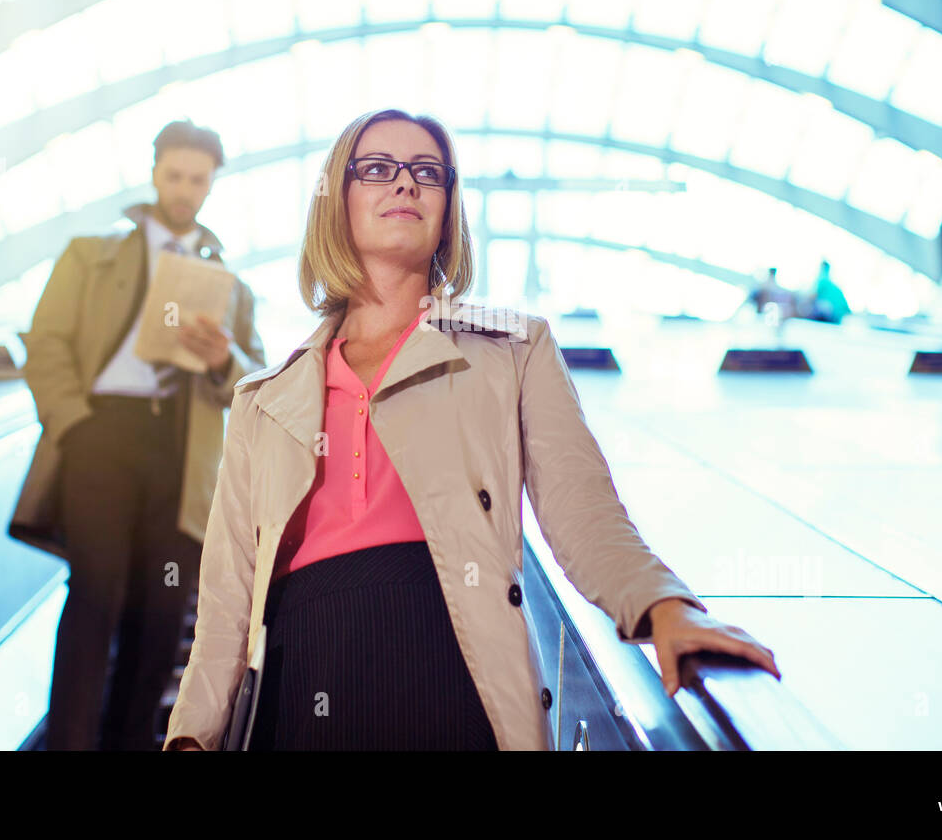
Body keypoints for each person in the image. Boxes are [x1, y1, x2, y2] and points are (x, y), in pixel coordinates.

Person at [164, 108, 779, 752]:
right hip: (300, 691)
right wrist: (189, 738)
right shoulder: (265, 400)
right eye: (377, 169)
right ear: (334, 202)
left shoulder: (514, 350)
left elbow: (582, 509)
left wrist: (664, 608)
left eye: (427, 173)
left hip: (453, 682)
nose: (405, 185)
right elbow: (226, 597)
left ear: (448, 207)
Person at [9, 120, 266, 751]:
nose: (184, 190)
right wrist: (73, 423)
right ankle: (70, 742)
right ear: (154, 173)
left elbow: (254, 379)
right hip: (102, 436)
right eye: (174, 175)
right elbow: (45, 344)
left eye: (197, 180)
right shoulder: (88, 256)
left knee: (163, 612)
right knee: (96, 596)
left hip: (182, 454)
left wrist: (218, 359)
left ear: (211, 185)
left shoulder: (230, 284)